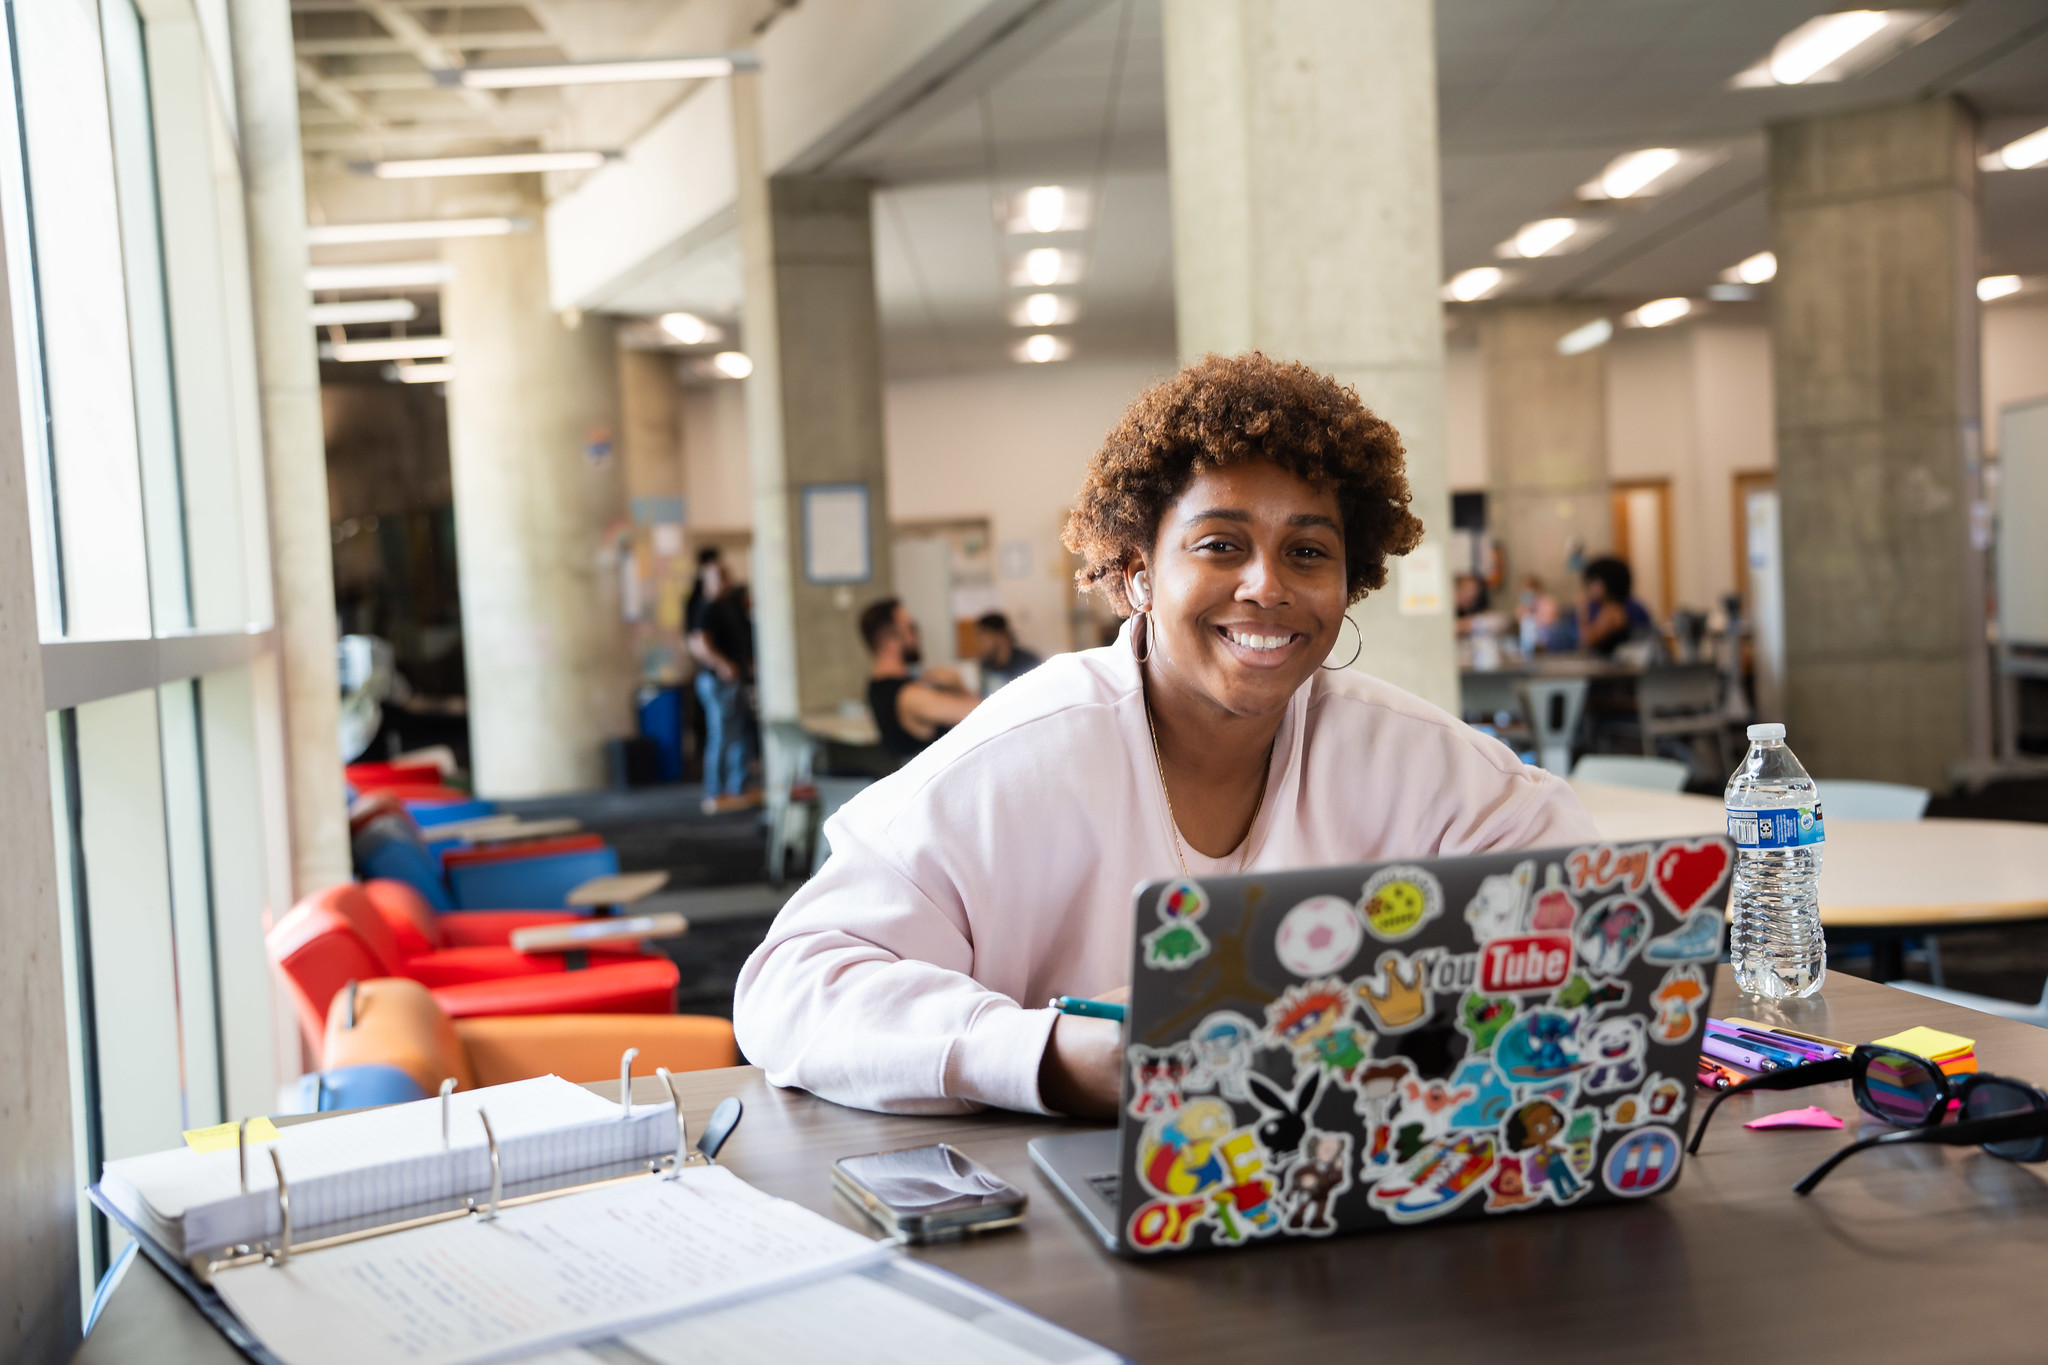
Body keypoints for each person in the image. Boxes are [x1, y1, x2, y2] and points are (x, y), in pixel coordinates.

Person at [734, 353, 1598, 1119]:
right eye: (1221, 543)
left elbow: (1586, 908)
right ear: (1140, 572)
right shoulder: (1029, 751)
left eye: (1308, 552)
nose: (1266, 585)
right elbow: (792, 983)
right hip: (1057, 1219)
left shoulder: (1402, 755)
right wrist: (1047, 1057)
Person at [859, 598, 980, 759]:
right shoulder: (909, 696)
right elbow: (986, 712)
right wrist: (957, 683)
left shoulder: (877, 686)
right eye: (910, 628)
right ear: (890, 643)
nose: (917, 635)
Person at [687, 549, 759, 813]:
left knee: (740, 735)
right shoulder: (705, 607)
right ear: (708, 581)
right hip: (716, 682)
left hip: (736, 681)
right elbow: (698, 644)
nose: (725, 581)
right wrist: (723, 664)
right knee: (721, 737)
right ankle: (713, 792)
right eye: (718, 577)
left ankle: (736, 788)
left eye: (726, 576)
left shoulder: (731, 605)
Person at [1576, 556, 1653, 657]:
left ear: (1606, 584)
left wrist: (1582, 611)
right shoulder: (1629, 605)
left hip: (1617, 669)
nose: (1588, 587)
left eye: (1592, 582)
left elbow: (1588, 641)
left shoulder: (1612, 610)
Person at [974, 612, 1044, 692]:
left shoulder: (1029, 662)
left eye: (983, 640)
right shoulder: (986, 665)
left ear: (1000, 636)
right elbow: (982, 699)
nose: (980, 645)